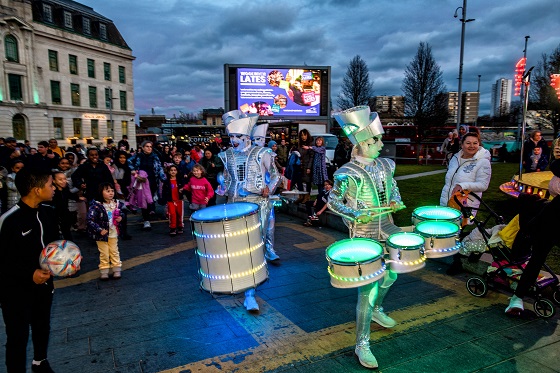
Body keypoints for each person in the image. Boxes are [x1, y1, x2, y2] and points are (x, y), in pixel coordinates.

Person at [327, 106, 405, 369]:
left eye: (380, 139)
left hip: (388, 227)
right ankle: (362, 343)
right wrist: (354, 214)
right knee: (368, 292)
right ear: (360, 144)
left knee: (392, 275)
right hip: (364, 235)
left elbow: (393, 189)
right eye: (375, 140)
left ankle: (378, 311)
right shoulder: (346, 173)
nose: (381, 144)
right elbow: (333, 202)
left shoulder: (386, 165)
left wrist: (395, 201)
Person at [217, 110, 281, 312]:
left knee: (253, 249)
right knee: (236, 248)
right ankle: (241, 285)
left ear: (247, 136)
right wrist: (222, 187)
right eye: (231, 137)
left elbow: (275, 175)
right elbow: (227, 179)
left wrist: (268, 189)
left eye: (238, 136)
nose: (234, 140)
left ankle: (250, 294)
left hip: (256, 205)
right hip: (234, 204)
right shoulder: (226, 155)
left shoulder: (263, 153)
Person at [0, 168, 59, 373]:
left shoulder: (49, 212)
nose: (54, 188)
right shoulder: (9, 220)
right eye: (51, 184)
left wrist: (67, 260)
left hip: (44, 286)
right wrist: (29, 273)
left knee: (42, 326)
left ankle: (40, 362)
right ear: (36, 190)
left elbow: (55, 247)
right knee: (18, 336)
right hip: (15, 291)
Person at [505, 161, 560, 315]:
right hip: (548, 222)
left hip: (549, 219)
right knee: (537, 258)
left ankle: (518, 297)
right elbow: (555, 165)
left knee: (537, 258)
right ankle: (517, 297)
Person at [87, 182, 124, 280]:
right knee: (104, 253)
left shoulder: (116, 204)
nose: (111, 193)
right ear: (101, 192)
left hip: (113, 232)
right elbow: (90, 220)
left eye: (112, 191)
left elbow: (121, 214)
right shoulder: (96, 206)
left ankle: (116, 269)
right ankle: (104, 271)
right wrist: (99, 229)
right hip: (101, 235)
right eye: (107, 191)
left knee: (114, 251)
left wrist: (120, 217)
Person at [127, 141, 166, 230]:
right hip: (142, 181)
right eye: (147, 146)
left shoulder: (155, 157)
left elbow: (159, 168)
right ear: (143, 147)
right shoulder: (138, 156)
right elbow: (128, 161)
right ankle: (146, 220)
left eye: (150, 146)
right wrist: (133, 170)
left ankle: (150, 211)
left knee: (150, 199)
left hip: (152, 181)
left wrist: (163, 178)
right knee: (143, 199)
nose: (149, 148)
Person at [51, 170, 84, 241]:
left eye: (64, 179)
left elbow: (69, 195)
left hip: (65, 212)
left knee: (66, 231)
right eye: (60, 179)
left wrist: (78, 197)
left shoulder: (65, 189)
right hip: (54, 213)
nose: (63, 181)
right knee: (55, 232)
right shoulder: (52, 191)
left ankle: (69, 245)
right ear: (53, 181)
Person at [161, 165, 186, 236]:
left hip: (179, 200)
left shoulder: (180, 180)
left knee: (179, 214)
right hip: (170, 201)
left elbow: (184, 188)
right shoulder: (166, 182)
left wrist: (182, 190)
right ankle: (173, 228)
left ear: (177, 171)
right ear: (168, 172)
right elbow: (164, 191)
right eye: (171, 170)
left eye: (175, 170)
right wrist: (164, 199)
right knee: (172, 214)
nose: (173, 171)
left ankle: (180, 226)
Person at [297, 129, 314, 203]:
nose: (303, 137)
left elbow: (312, 156)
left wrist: (309, 167)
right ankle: (301, 195)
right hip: (301, 164)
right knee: (299, 180)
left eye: (305, 135)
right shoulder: (300, 144)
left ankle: (307, 196)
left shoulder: (310, 144)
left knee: (308, 181)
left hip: (307, 165)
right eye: (302, 135)